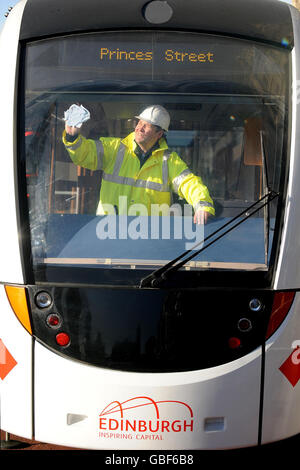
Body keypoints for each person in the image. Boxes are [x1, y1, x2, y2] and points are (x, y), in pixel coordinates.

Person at [62, 104, 214, 223]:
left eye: (146, 126)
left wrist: (202, 205)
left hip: (149, 241)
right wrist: (71, 138)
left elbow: (189, 184)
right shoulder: (115, 149)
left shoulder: (170, 161)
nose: (139, 128)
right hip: (109, 234)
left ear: (159, 134)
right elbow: (84, 154)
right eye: (139, 122)